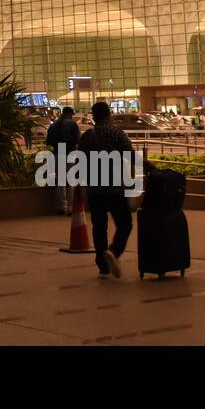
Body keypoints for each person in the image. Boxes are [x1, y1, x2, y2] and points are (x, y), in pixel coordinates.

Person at [78, 100, 135, 278]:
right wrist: (147, 165)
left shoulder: (86, 136)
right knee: (125, 224)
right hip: (115, 187)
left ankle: (102, 266)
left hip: (95, 188)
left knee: (99, 227)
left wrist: (81, 186)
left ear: (93, 117)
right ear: (109, 115)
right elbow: (130, 154)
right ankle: (114, 251)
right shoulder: (116, 133)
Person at [45, 106, 81, 214]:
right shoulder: (72, 124)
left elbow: (48, 141)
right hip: (70, 153)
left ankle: (61, 207)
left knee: (60, 181)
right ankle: (71, 208)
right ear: (70, 114)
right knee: (71, 181)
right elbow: (78, 139)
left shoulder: (54, 125)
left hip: (57, 153)